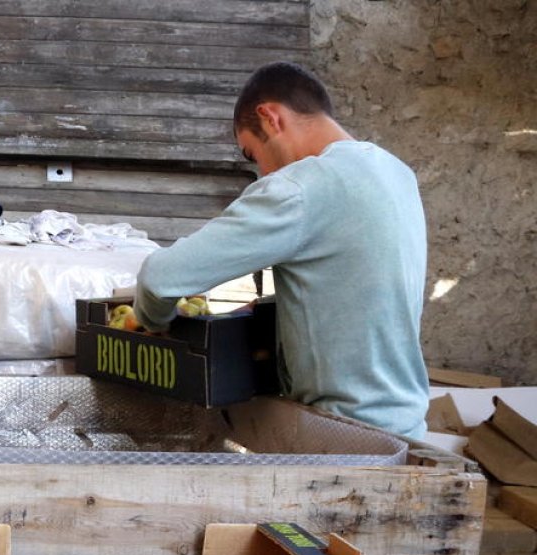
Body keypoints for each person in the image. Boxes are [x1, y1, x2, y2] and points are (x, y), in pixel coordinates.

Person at [132, 61, 429, 441]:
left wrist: (153, 322)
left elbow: (160, 279)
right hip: (408, 429)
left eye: (252, 155)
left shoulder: (302, 188)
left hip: (343, 434)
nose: (263, 174)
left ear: (270, 117)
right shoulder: (396, 173)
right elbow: (353, 283)